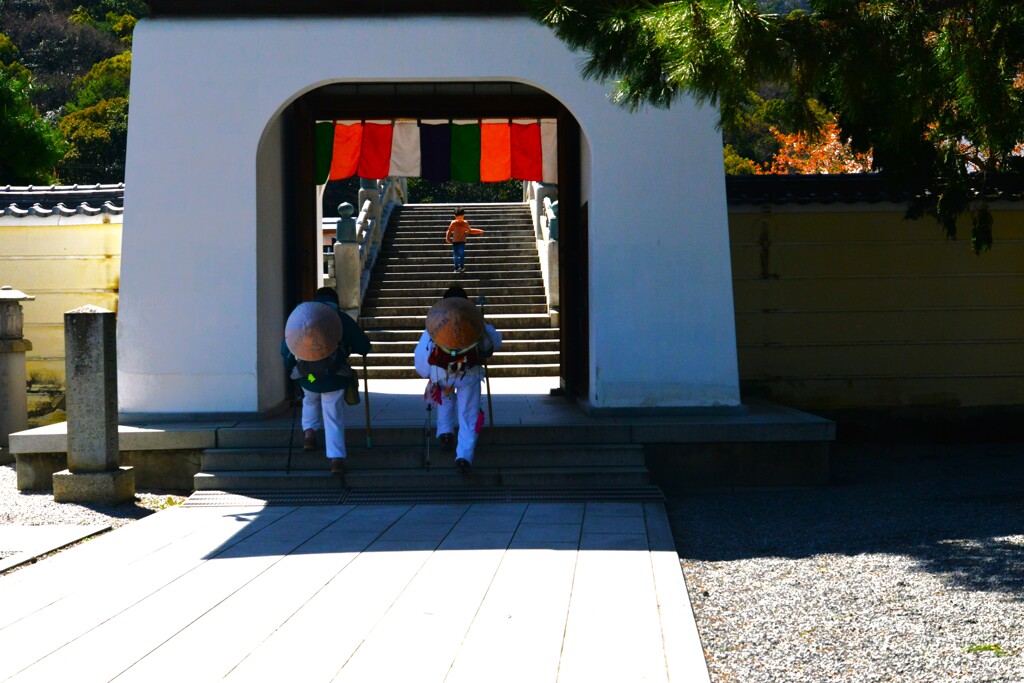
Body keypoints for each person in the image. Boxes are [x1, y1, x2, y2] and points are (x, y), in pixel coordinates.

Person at [281, 286, 371, 475]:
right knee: (333, 416)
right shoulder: (340, 318)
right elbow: (364, 346)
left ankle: (309, 435)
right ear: (335, 302)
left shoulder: (302, 319)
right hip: (333, 375)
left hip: (310, 376)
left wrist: (292, 367)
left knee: (310, 398)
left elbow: (286, 351)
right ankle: (336, 459)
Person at [414, 286, 502, 472]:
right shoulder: (473, 319)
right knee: (468, 415)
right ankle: (463, 456)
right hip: (468, 373)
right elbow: (496, 341)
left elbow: (421, 354)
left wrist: (427, 374)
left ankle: (445, 433)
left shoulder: (436, 322)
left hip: (441, 372)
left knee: (445, 400)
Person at [445, 207, 483, 274]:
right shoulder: (453, 223)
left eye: (461, 217)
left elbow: (470, 231)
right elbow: (449, 230)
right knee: (455, 255)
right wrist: (447, 238)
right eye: (458, 217)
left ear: (463, 216)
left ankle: (462, 267)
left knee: (461, 252)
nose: (459, 219)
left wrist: (478, 231)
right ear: (455, 217)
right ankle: (456, 268)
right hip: (455, 241)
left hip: (462, 241)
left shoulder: (465, 223)